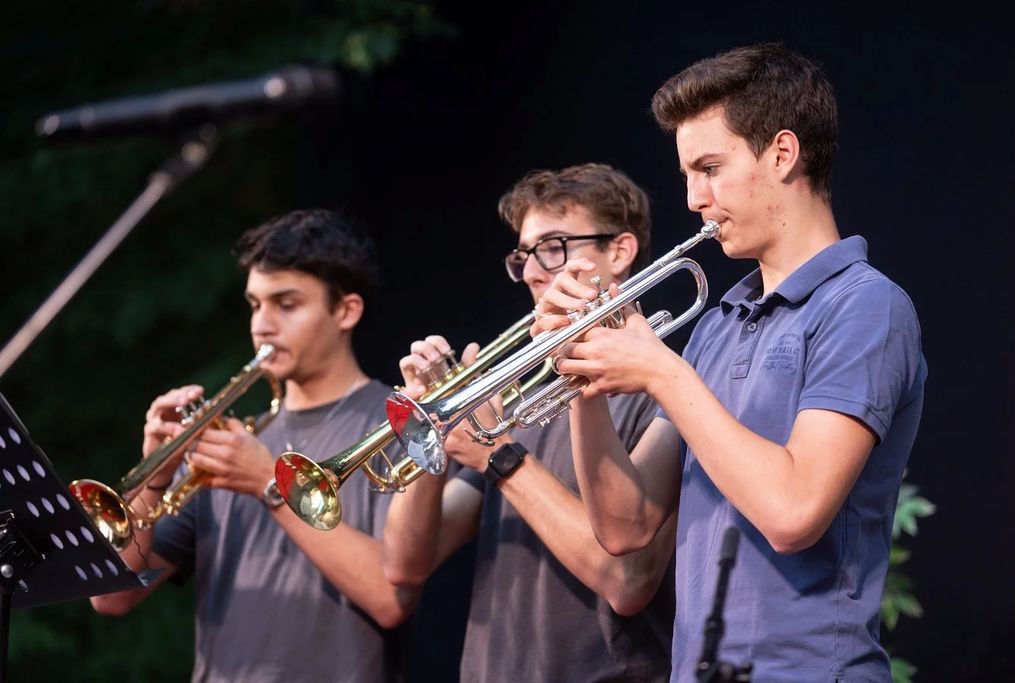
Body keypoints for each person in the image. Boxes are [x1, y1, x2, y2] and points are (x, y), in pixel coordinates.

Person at [535, 43, 927, 682]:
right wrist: (582, 372)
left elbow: (793, 513)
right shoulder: (718, 325)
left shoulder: (866, 305)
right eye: (688, 174)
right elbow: (626, 525)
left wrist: (663, 372)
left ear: (782, 153)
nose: (695, 198)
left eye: (710, 168)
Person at [91, 209, 419, 683]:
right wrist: (155, 476)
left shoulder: (399, 424)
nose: (262, 325)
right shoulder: (234, 443)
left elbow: (391, 599)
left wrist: (268, 482)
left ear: (346, 311)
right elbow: (111, 597)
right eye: (255, 304)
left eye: (286, 304)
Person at [381, 163, 677, 683]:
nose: (535, 272)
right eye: (524, 257)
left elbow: (629, 581)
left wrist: (499, 456)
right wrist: (429, 426)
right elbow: (406, 565)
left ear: (620, 251)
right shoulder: (524, 401)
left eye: (554, 248)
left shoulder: (666, 386)